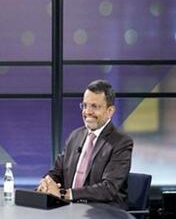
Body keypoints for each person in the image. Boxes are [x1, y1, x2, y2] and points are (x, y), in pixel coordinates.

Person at [37, 79, 133, 209]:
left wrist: (65, 194)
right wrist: (47, 183)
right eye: (85, 105)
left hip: (103, 212)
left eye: (94, 106)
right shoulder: (75, 136)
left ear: (110, 111)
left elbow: (108, 189)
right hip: (70, 210)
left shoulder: (121, 142)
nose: (87, 112)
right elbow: (57, 172)